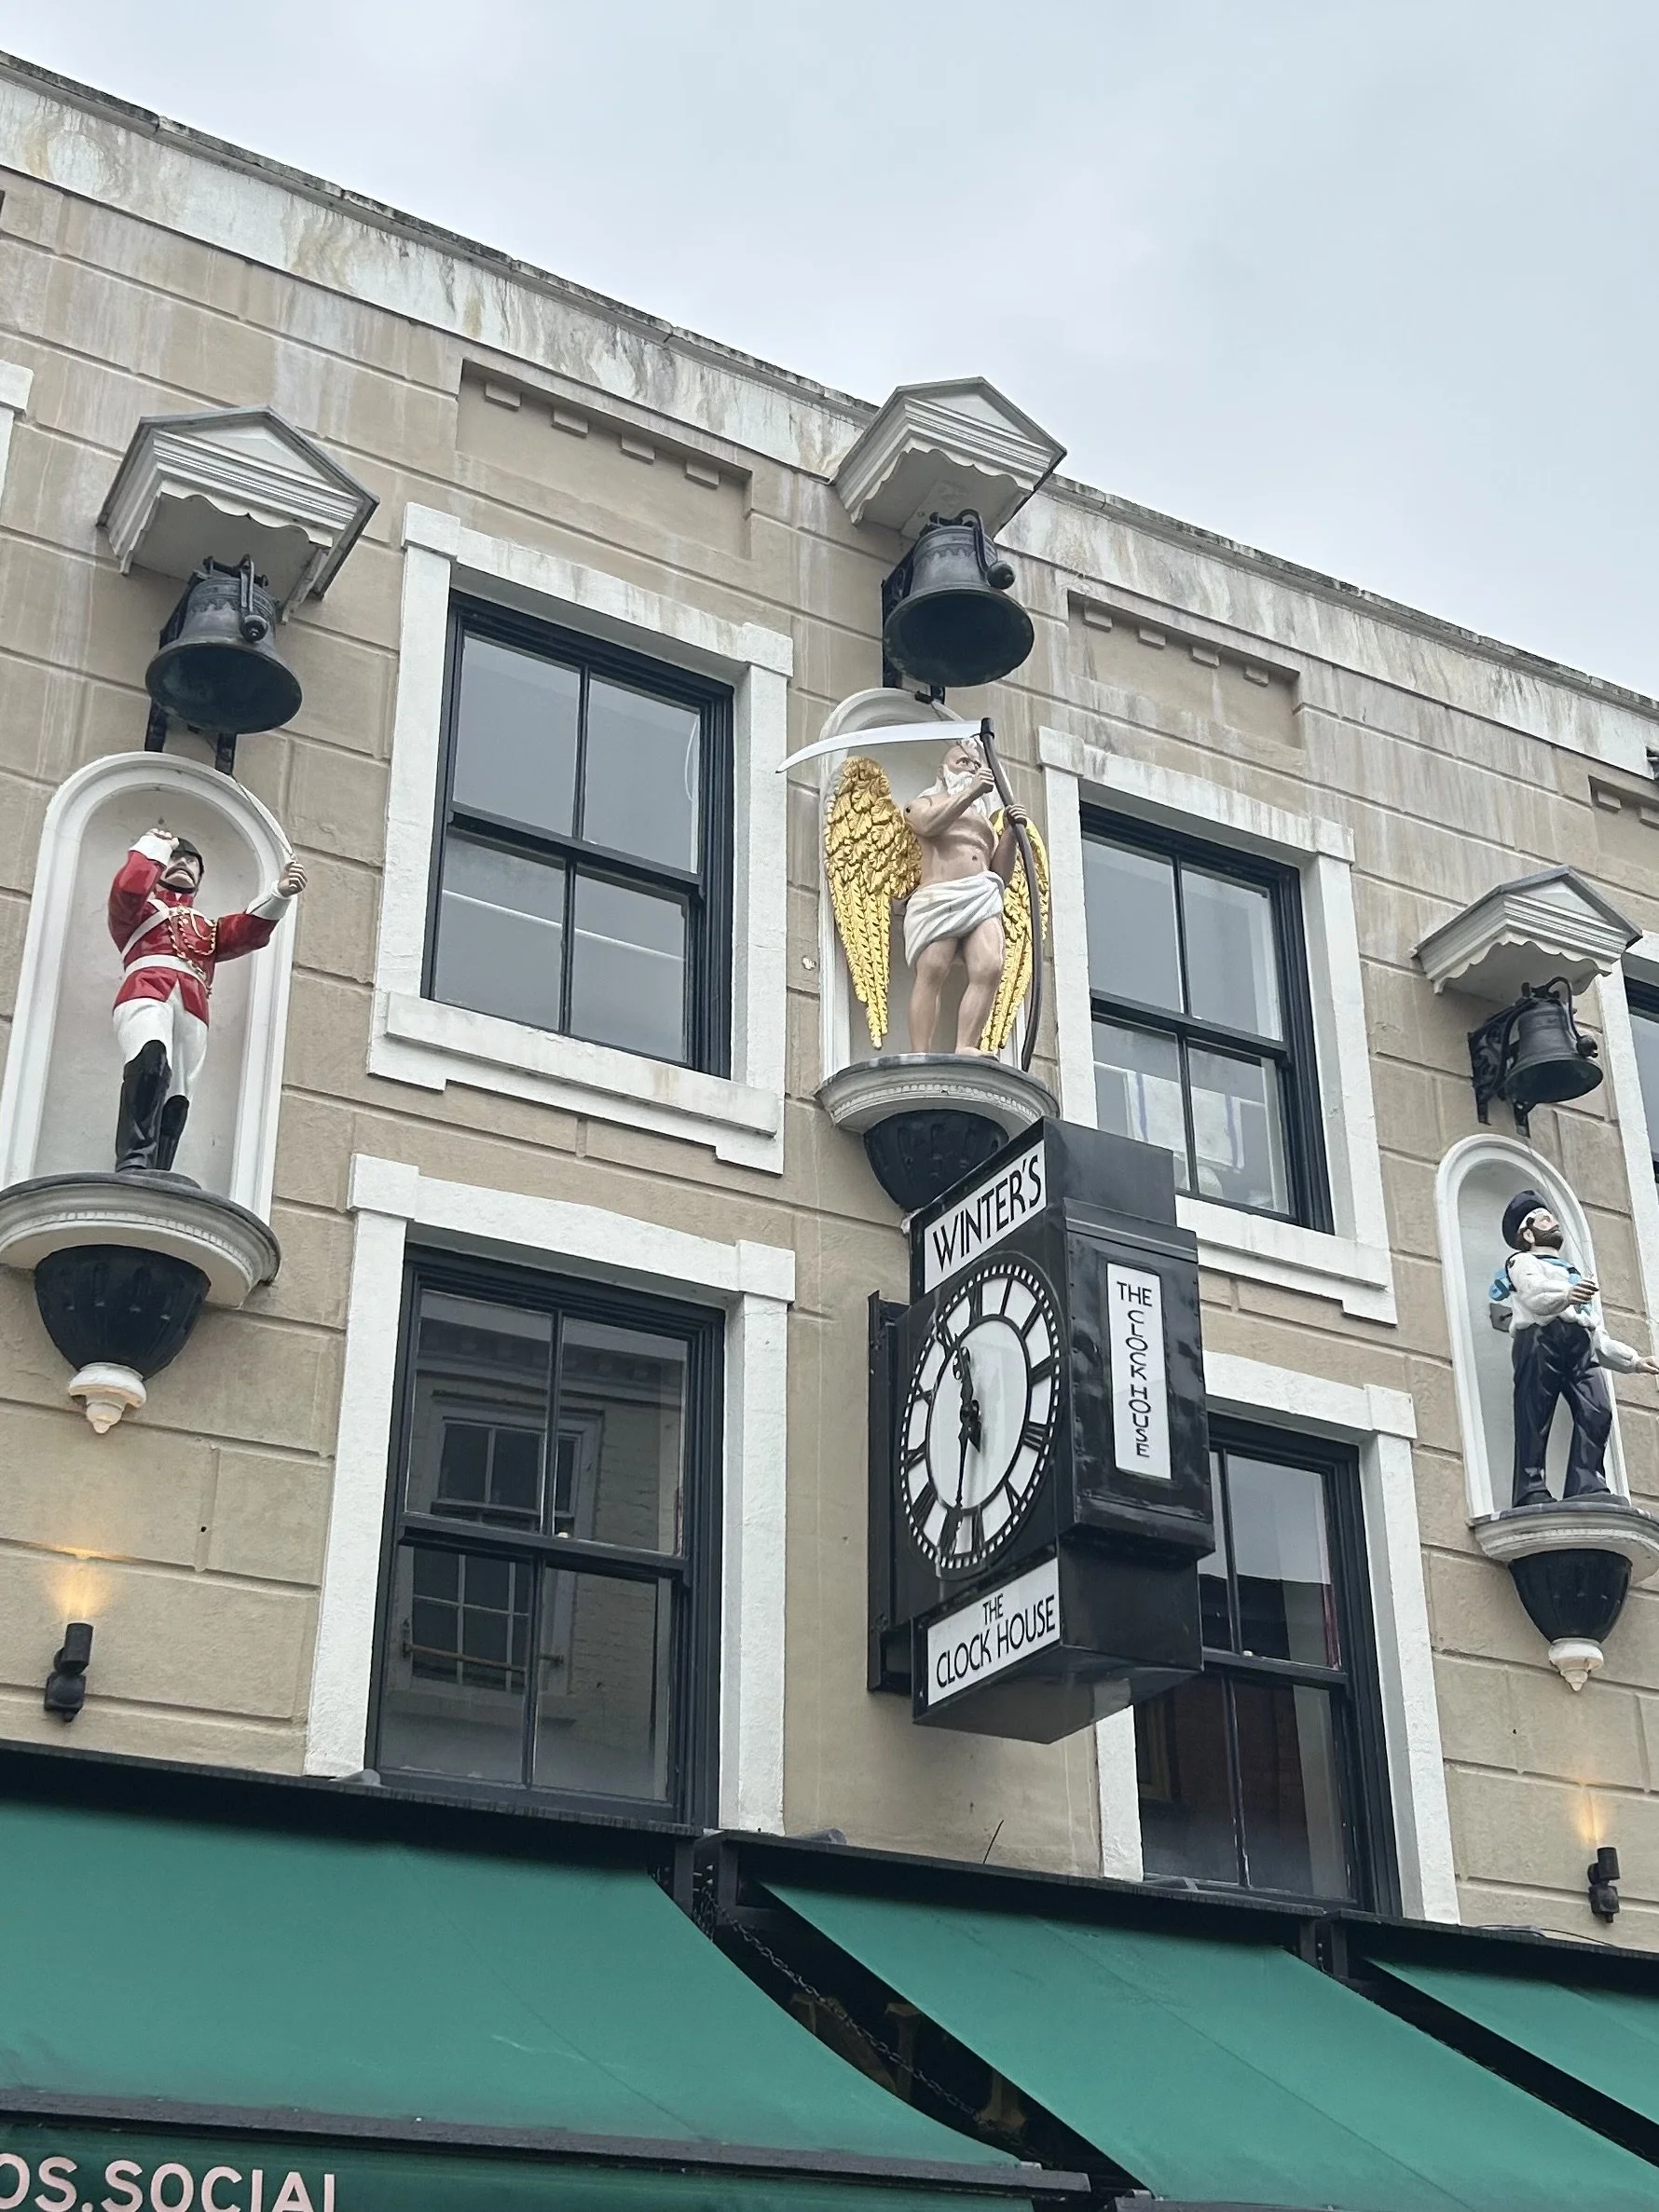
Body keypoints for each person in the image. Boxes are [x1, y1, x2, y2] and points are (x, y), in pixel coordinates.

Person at [107, 822, 306, 1175]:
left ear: (200, 875)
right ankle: (134, 1156)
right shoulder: (140, 912)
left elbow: (247, 930)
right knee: (150, 1056)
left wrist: (279, 893)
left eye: (191, 860)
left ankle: (160, 1167)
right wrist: (153, 846)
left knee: (180, 1091)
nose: (182, 864)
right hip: (147, 990)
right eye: (175, 858)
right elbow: (127, 889)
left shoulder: (207, 927)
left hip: (193, 1006)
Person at [1496, 1189, 1659, 1507]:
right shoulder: (1522, 1261)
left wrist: (1635, 1361)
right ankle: (1530, 1488)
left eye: (1553, 1218)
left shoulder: (1572, 1274)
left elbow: (1598, 1335)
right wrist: (1568, 1296)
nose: (1553, 1223)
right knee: (1534, 1414)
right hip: (1540, 1340)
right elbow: (1534, 1295)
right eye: (1544, 1219)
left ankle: (1586, 1482)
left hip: (1580, 1345)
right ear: (1527, 1233)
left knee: (1598, 1409)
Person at [902, 738, 1028, 1055]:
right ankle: (921, 1051)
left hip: (983, 894)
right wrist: (971, 791)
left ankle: (965, 1045)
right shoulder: (925, 803)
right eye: (962, 763)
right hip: (940, 896)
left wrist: (1011, 834)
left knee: (990, 965)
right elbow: (928, 826)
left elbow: (1001, 874)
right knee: (933, 967)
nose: (971, 769)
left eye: (975, 764)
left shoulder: (985, 822)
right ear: (942, 770)